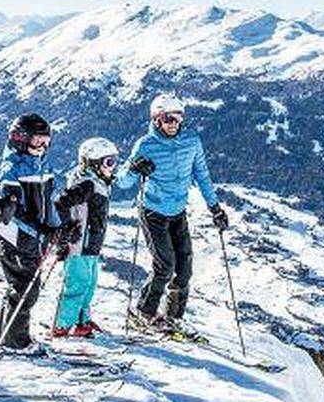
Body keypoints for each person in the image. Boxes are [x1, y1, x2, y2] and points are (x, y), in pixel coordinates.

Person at [116, 92, 228, 330]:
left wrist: (215, 208)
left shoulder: (192, 141)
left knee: (184, 269)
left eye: (177, 118)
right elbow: (123, 182)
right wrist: (134, 168)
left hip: (178, 212)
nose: (173, 123)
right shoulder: (146, 145)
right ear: (157, 119)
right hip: (153, 212)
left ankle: (173, 318)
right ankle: (144, 312)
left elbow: (202, 175)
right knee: (165, 266)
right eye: (167, 118)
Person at [0, 113, 70, 354]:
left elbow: (48, 202)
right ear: (20, 139)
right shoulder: (11, 169)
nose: (43, 147)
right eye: (37, 141)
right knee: (24, 288)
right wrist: (41, 232)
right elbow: (13, 214)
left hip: (34, 241)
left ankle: (7, 335)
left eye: (46, 141)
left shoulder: (42, 166)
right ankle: (15, 341)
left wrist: (57, 230)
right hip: (13, 238)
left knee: (25, 287)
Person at [50, 137, 119, 338]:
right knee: (77, 285)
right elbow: (61, 203)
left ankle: (82, 322)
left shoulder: (98, 183)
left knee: (88, 285)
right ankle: (61, 325)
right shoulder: (86, 184)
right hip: (79, 246)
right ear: (93, 163)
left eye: (114, 161)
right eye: (108, 162)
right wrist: (67, 228)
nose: (112, 168)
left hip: (92, 246)